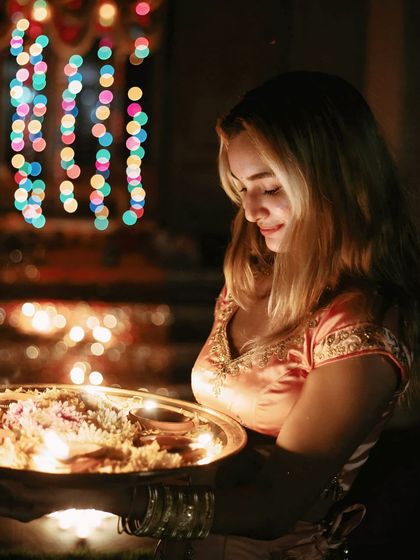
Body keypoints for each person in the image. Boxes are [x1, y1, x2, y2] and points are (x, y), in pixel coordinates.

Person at [1, 71, 419, 559]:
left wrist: (91, 495)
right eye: (242, 188)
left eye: (270, 187)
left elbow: (272, 510)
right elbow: (223, 430)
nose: (251, 210)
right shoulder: (251, 281)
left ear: (334, 180)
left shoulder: (357, 326)